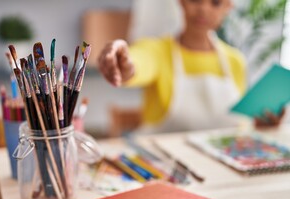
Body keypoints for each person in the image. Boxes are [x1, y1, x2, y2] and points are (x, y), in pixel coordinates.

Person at [98, 0, 284, 133]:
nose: (203, 9)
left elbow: (239, 125)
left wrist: (261, 127)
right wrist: (124, 65)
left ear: (228, 7)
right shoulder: (158, 51)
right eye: (195, 0)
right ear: (181, 2)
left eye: (215, 3)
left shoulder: (236, 61)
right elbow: (139, 62)